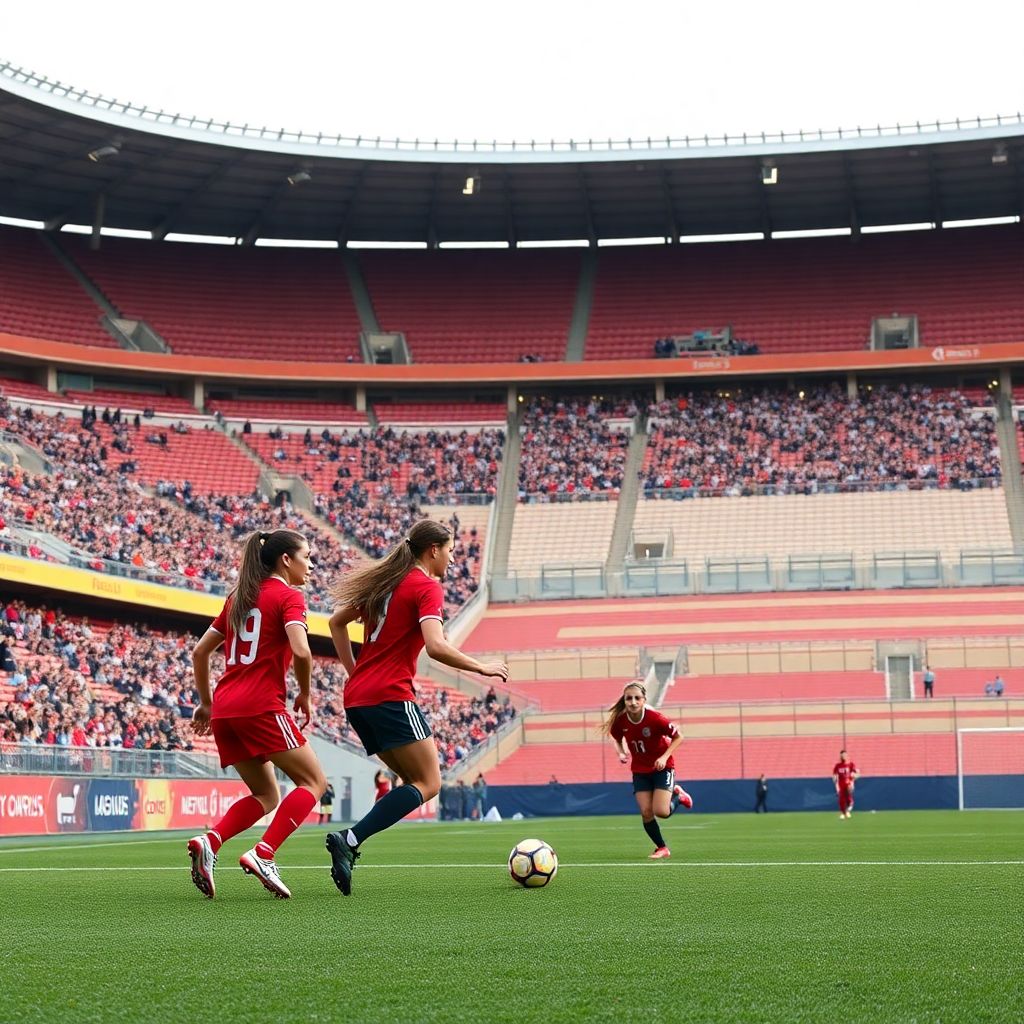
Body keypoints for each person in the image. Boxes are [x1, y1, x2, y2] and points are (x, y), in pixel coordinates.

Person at [324, 519, 508, 896]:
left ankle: (351, 842)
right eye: (452, 551)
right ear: (433, 550)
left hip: (358, 699)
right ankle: (350, 839)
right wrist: (482, 667)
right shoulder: (426, 586)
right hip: (390, 696)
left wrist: (354, 671)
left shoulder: (385, 584)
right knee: (430, 783)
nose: (453, 558)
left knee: (414, 783)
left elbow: (335, 623)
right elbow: (436, 647)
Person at [186, 528, 327, 900]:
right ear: (286, 560)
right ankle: (264, 853)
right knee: (314, 783)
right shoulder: (289, 596)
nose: (310, 565)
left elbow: (200, 653)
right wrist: (305, 694)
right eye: (306, 557)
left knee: (266, 794)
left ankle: (211, 841)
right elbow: (302, 652)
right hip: (261, 706)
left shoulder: (238, 598)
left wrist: (205, 703)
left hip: (225, 710)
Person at [602, 681, 692, 859]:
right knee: (646, 812)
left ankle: (679, 797)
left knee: (662, 812)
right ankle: (662, 848)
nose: (633, 702)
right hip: (640, 771)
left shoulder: (655, 718)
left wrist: (664, 757)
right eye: (629, 698)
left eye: (637, 698)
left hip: (662, 768)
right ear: (624, 700)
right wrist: (621, 753)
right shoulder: (621, 721)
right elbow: (617, 738)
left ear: (644, 700)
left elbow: (678, 737)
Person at [832, 748, 859, 819]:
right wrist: (834, 779)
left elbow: (857, 774)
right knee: (841, 799)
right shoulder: (838, 766)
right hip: (840, 784)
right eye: (842, 755)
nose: (843, 756)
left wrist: (853, 779)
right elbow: (834, 776)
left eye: (844, 755)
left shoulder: (851, 764)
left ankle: (848, 808)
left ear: (847, 756)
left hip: (848, 784)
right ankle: (843, 813)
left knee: (848, 796)